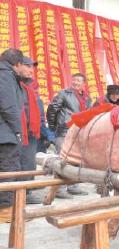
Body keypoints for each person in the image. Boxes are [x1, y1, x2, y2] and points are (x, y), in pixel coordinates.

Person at [46, 73, 92, 199]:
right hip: (64, 130)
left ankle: (72, 186)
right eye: (74, 80)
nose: (75, 82)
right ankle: (59, 189)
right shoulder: (64, 94)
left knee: (75, 159)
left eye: (79, 80)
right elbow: (52, 109)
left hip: (79, 132)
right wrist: (53, 126)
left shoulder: (87, 98)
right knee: (63, 159)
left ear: (84, 84)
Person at [0, 48, 25, 221]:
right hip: (5, 132)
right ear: (17, 64)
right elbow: (8, 106)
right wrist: (17, 130)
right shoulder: (5, 75)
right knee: (8, 170)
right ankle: (5, 210)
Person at [18, 56, 43, 204]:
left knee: (29, 163)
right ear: (18, 66)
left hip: (31, 132)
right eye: (27, 66)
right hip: (18, 132)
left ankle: (27, 192)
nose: (30, 70)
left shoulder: (31, 88)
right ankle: (18, 193)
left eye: (32, 67)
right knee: (17, 164)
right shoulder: (14, 85)